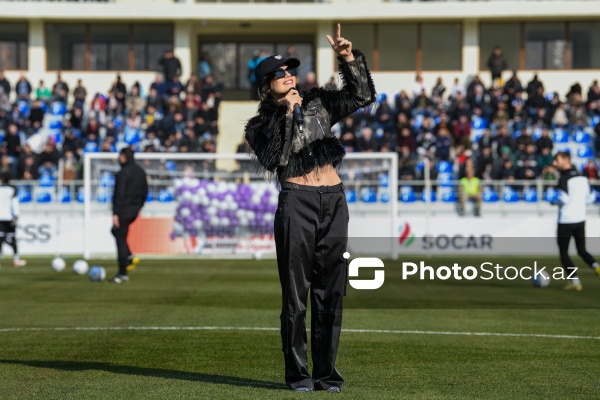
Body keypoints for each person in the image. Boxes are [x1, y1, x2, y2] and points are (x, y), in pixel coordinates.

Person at [244, 23, 375, 393]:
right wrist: (288, 113)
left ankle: (327, 375)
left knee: (331, 292)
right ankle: (299, 375)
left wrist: (348, 58)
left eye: (290, 71)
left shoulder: (318, 102)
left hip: (334, 200)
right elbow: (277, 158)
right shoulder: (259, 125)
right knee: (295, 297)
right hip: (297, 203)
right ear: (266, 85)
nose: (288, 76)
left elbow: (362, 96)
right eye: (279, 73)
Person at [551, 151, 600, 291]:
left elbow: (563, 199)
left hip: (566, 220)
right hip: (580, 219)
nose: (554, 163)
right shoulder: (582, 177)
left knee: (564, 253)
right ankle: (596, 267)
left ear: (565, 160)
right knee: (582, 250)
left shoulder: (564, 179)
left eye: (557, 160)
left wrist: (553, 201)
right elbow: (590, 198)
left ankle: (575, 282)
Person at [109, 148, 148, 284]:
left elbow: (119, 194)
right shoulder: (140, 171)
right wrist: (139, 206)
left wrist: (115, 212)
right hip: (134, 210)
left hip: (124, 210)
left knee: (120, 237)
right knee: (116, 231)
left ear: (124, 156)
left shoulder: (123, 173)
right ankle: (129, 256)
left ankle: (122, 273)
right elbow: (145, 191)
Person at [0, 172, 26, 268]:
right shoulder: (12, 189)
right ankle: (16, 260)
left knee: (1, 239)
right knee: (13, 239)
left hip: (0, 218)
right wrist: (16, 216)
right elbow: (14, 203)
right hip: (9, 217)